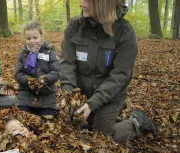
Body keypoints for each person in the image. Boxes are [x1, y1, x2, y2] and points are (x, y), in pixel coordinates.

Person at [60, 0, 156, 144]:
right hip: (81, 93)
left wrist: (93, 103)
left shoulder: (124, 31)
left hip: (110, 95)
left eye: (86, 1)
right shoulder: (75, 26)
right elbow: (67, 62)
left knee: (100, 139)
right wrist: (68, 95)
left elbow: (120, 76)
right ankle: (94, 117)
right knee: (71, 134)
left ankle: (136, 122)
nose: (81, 4)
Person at [14, 21, 60, 117]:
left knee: (48, 117)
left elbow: (57, 72)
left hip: (46, 93)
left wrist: (44, 79)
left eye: (35, 38)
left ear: (42, 36)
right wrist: (29, 81)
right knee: (24, 117)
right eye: (28, 38)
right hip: (27, 93)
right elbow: (18, 74)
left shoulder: (50, 52)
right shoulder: (23, 54)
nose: (32, 41)